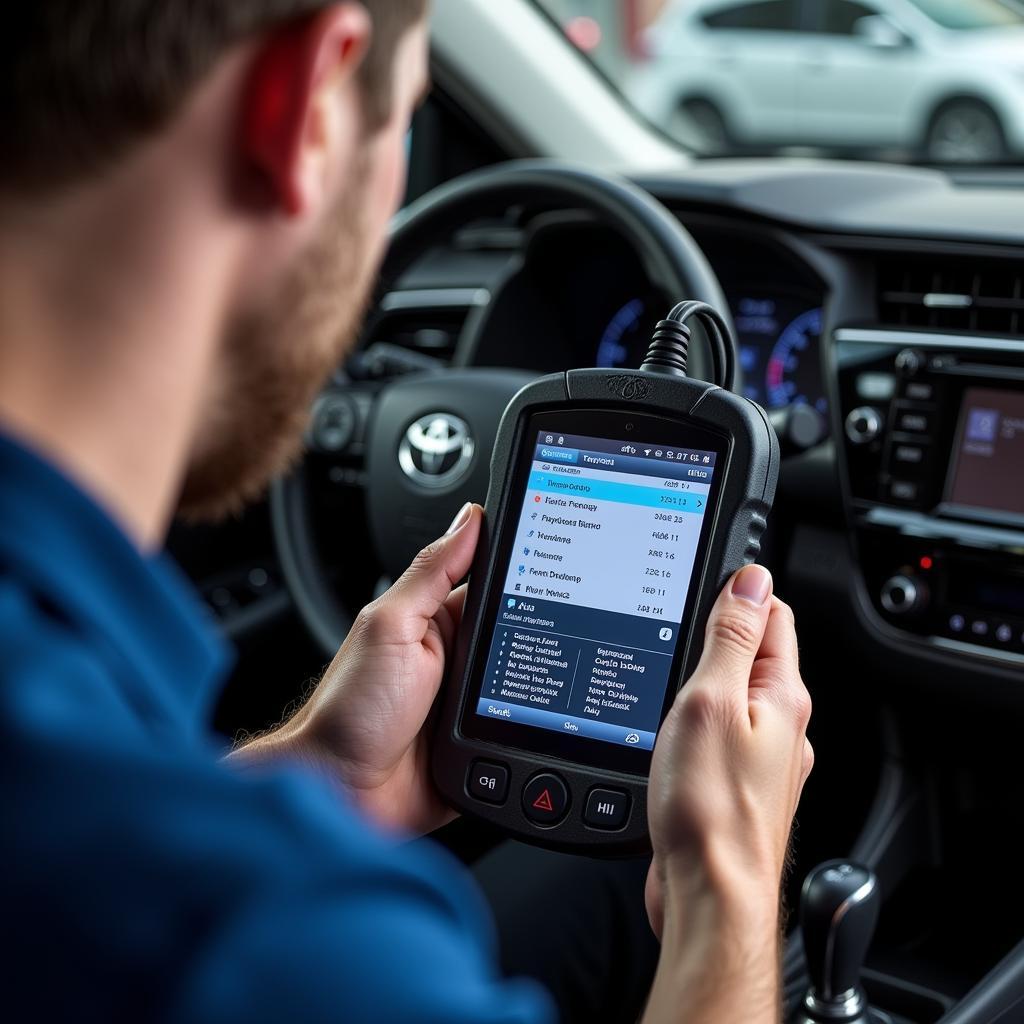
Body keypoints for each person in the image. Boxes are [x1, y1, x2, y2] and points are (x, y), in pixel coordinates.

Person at [0, 2, 813, 1021]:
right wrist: (727, 887)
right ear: (304, 106)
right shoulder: (286, 939)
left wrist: (315, 773)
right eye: (410, 123)